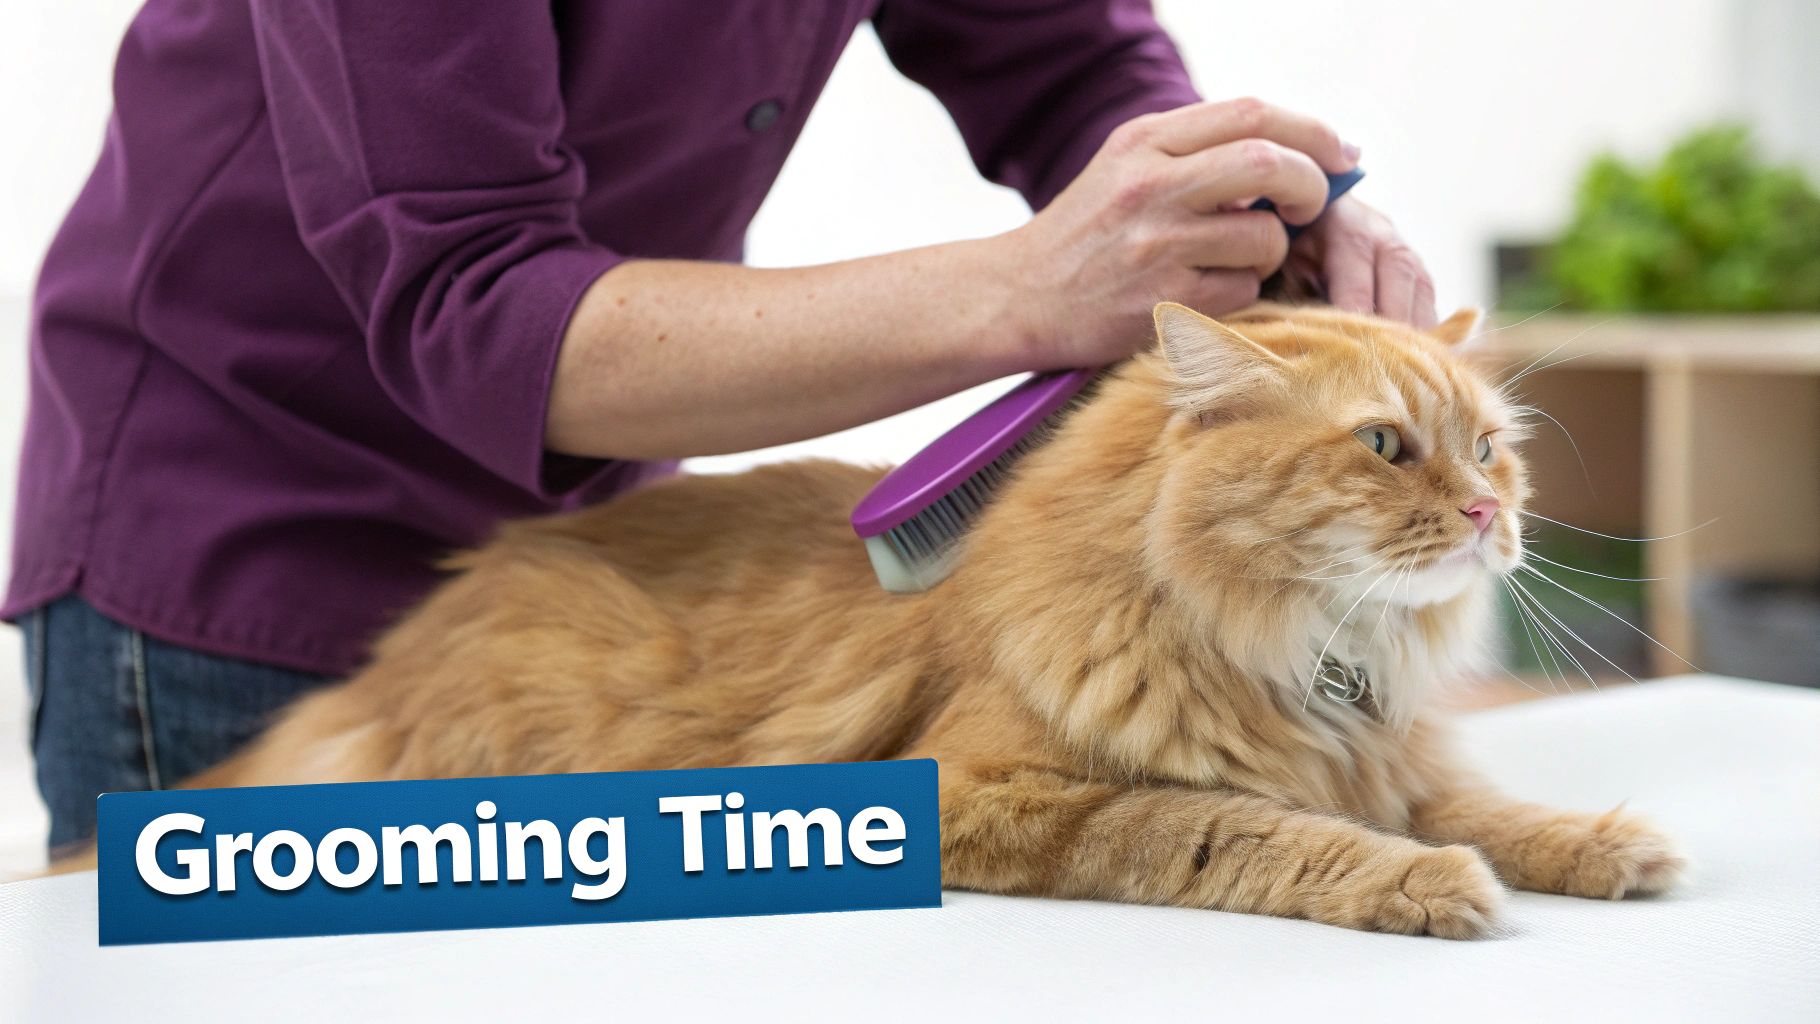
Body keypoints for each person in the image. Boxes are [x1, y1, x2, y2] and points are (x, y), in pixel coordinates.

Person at [5, 1, 1435, 853]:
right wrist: (1035, 295)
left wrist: (1245, 211)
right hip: (242, 564)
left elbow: (1066, 59)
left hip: (581, 613)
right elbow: (476, 309)